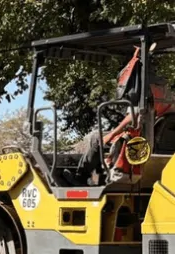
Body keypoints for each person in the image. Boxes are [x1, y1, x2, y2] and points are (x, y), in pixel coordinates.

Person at [67, 49, 175, 186]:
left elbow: (133, 117)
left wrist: (111, 134)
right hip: (158, 143)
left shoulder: (145, 92)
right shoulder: (166, 93)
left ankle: (81, 177)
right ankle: (99, 175)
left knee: (96, 138)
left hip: (139, 142)